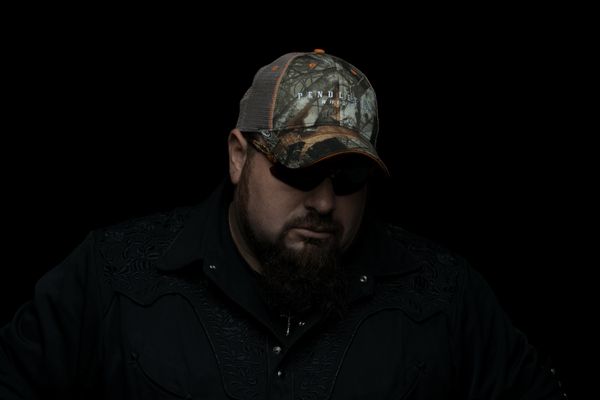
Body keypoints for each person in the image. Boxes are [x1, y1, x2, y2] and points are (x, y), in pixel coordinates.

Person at [0, 49, 566, 399]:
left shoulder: (444, 298)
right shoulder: (111, 277)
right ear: (238, 157)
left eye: (348, 179)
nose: (324, 202)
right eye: (299, 170)